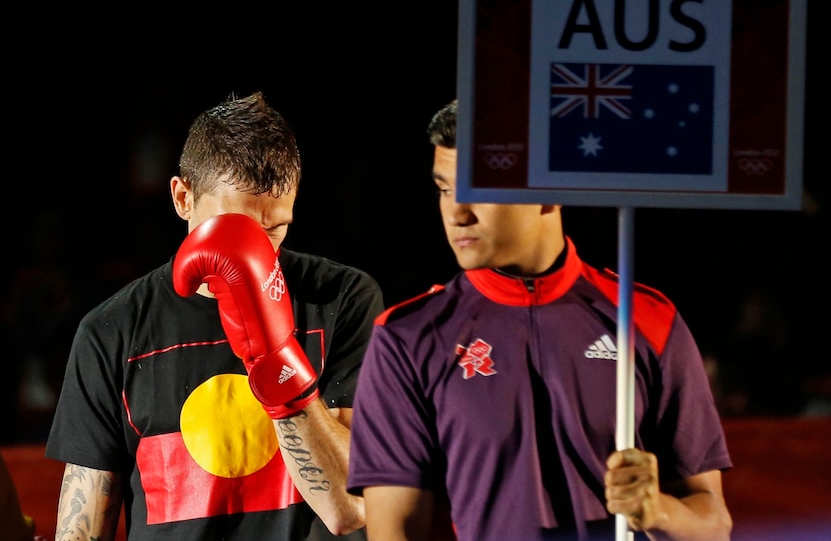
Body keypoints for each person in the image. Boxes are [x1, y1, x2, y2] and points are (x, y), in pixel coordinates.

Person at [346, 99, 733, 541]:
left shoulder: (646, 318)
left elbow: (713, 525)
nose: (457, 213)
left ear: (550, 191)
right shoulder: (408, 337)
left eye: (480, 188)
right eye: (445, 188)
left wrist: (659, 510)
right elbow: (395, 530)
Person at [46, 91, 385, 541]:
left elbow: (348, 509)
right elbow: (83, 529)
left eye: (276, 227)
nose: (258, 251)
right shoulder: (112, 330)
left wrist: (274, 356)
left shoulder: (340, 298)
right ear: (183, 198)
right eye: (238, 230)